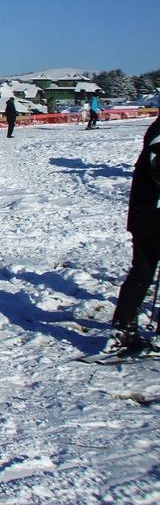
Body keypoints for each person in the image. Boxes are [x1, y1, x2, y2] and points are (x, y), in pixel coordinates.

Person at [104, 112, 160, 354]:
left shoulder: (155, 129)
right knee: (141, 273)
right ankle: (125, 331)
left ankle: (123, 330)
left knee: (141, 274)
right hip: (153, 215)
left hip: (143, 215)